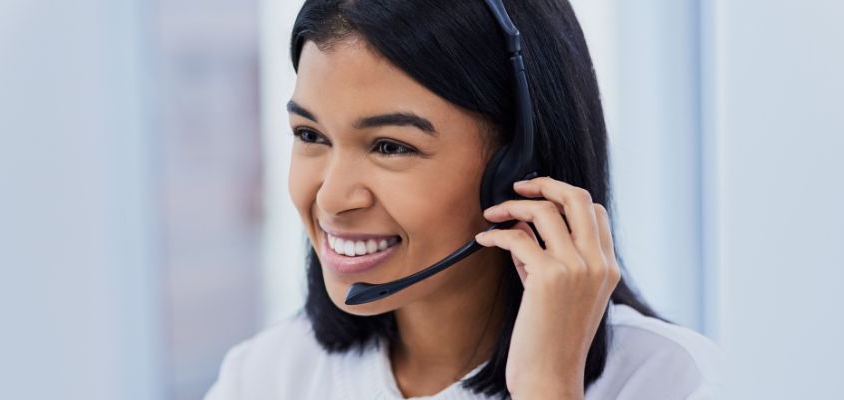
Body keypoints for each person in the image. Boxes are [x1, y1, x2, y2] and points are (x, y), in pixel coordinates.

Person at [206, 0, 721, 398]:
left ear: (516, 167)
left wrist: (546, 386)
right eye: (310, 135)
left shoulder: (668, 380)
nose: (333, 198)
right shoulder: (267, 375)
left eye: (390, 146)